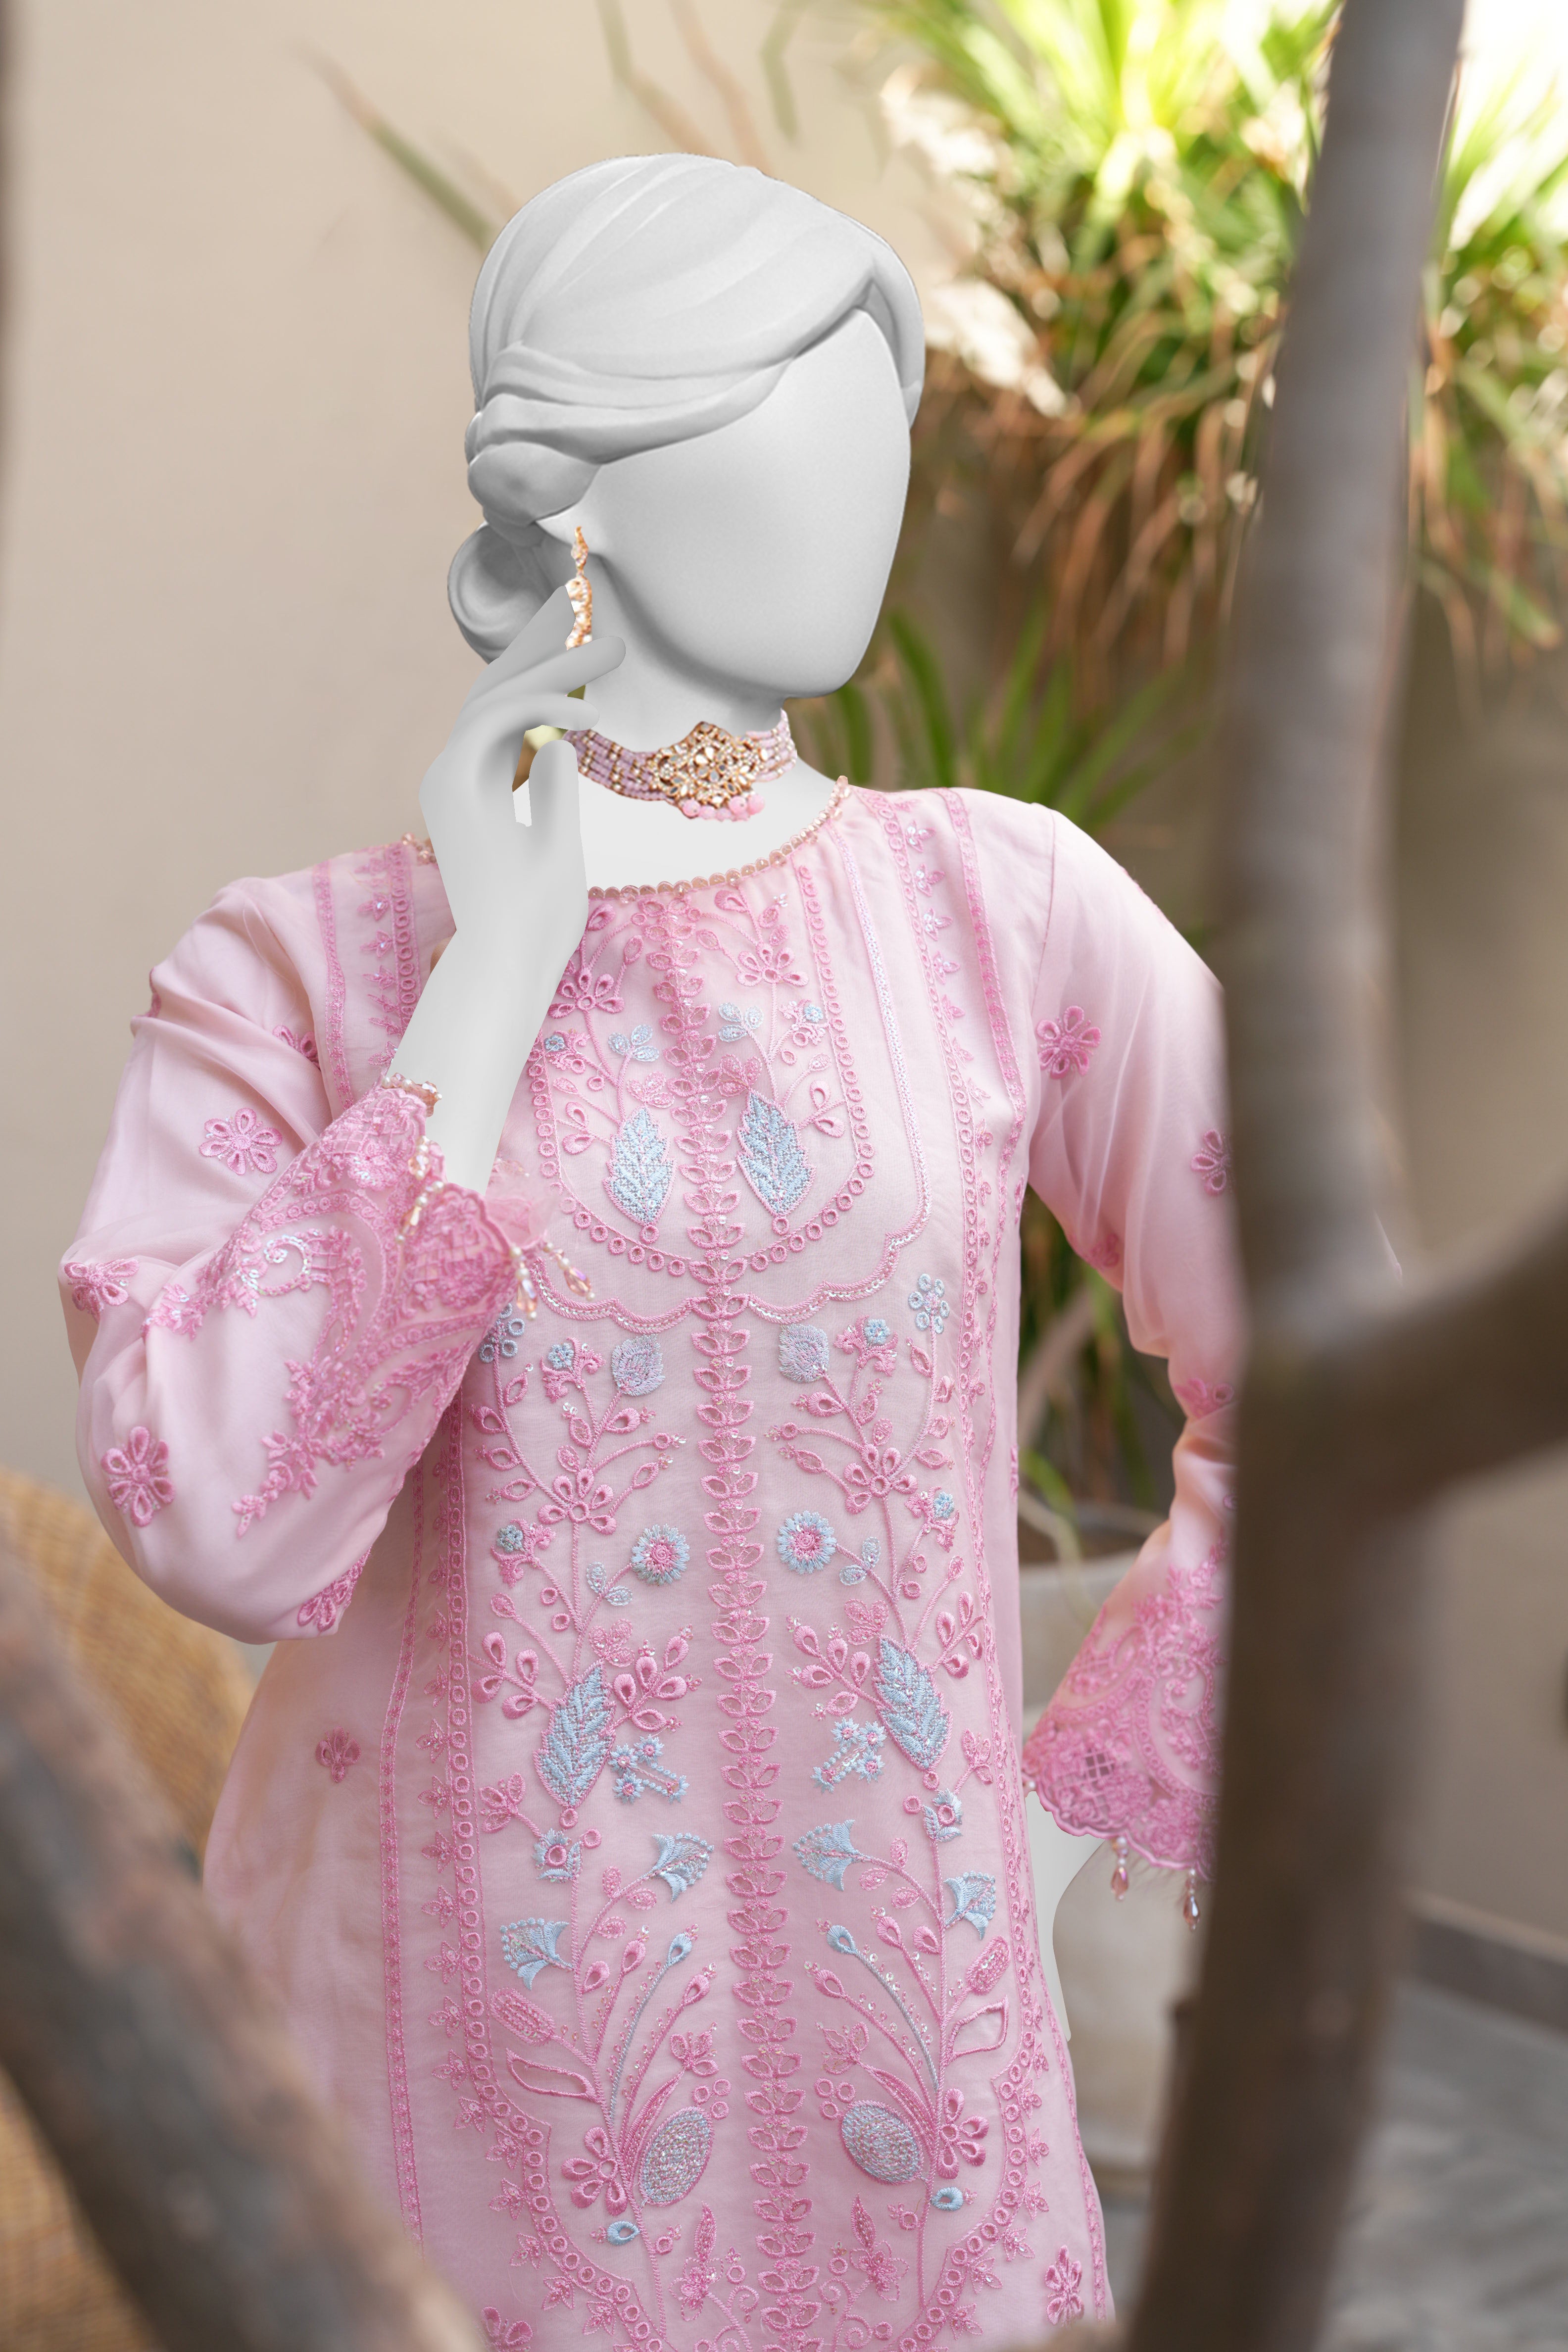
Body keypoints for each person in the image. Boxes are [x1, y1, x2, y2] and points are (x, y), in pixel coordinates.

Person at [61, 154, 1240, 2341]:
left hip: (920, 2127)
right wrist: (492, 980)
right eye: (810, 414)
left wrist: (1050, 1825)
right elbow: (215, 1517)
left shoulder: (1006, 912)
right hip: (434, 2112)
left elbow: (1319, 1371)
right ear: (584, 476)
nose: (876, 490)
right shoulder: (293, 976)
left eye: (889, 428)